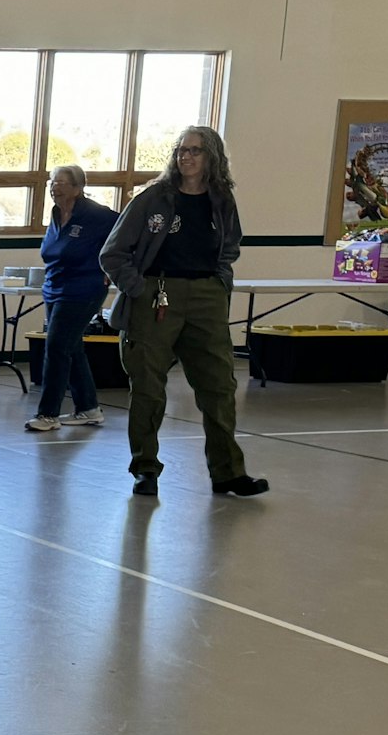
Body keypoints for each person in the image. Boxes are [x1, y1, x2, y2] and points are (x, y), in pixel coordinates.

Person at [98, 127, 269, 498]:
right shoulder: (154, 199)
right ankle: (145, 468)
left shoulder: (221, 199)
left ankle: (227, 472)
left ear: (213, 158)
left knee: (219, 386)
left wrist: (220, 282)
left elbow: (230, 247)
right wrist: (139, 288)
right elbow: (112, 253)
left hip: (206, 296)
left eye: (195, 151)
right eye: (181, 150)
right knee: (148, 387)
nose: (186, 157)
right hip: (157, 295)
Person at [25, 165, 120, 432]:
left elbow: (127, 233)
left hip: (83, 289)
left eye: (62, 183)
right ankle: (89, 408)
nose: (55, 187)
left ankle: (48, 414)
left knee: (56, 347)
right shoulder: (56, 215)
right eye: (52, 182)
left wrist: (111, 268)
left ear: (78, 188)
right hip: (55, 287)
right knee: (71, 346)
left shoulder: (96, 215)